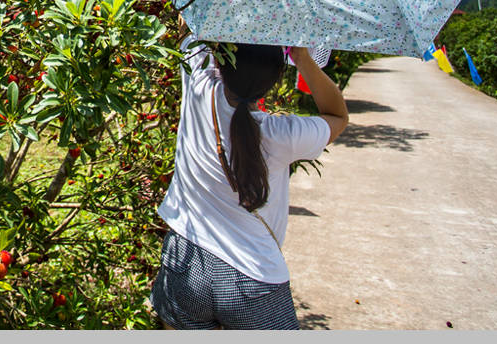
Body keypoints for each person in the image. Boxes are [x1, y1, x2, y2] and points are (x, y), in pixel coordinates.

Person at [149, 33, 348, 330]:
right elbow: (337, 115)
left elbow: (190, 28)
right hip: (252, 278)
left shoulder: (199, 87)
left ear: (222, 59)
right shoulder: (284, 134)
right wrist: (303, 58)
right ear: (276, 79)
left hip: (185, 259)